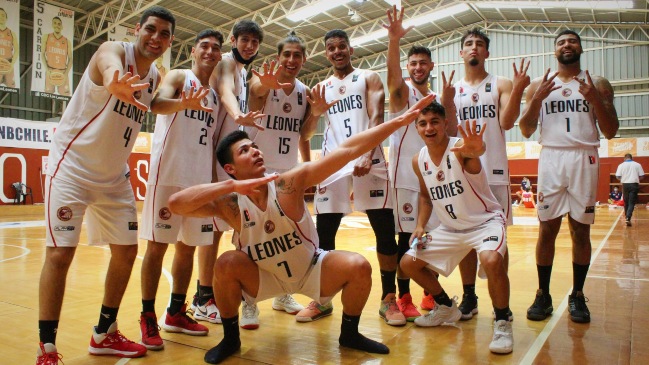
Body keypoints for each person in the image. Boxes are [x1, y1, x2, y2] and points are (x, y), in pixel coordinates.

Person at [168, 91, 437, 364]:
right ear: (231, 167)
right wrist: (230, 185)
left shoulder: (288, 183)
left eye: (254, 146)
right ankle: (230, 338)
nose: (256, 151)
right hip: (264, 277)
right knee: (226, 262)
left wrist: (398, 121)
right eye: (245, 150)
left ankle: (349, 334)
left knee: (358, 266)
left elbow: (348, 150)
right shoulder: (229, 203)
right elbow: (176, 204)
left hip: (310, 269)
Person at [36, 6, 175, 364]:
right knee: (60, 253)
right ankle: (47, 349)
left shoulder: (155, 75)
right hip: (72, 168)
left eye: (164, 34)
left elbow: (154, 101)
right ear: (136, 29)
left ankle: (104, 333)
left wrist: (180, 104)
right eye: (151, 30)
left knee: (127, 252)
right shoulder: (112, 51)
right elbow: (110, 68)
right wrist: (115, 81)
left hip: (114, 177)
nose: (156, 38)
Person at [302, 28, 403, 326]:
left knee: (384, 230)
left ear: (351, 49)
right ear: (326, 53)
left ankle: (389, 299)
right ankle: (322, 299)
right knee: (326, 234)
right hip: (333, 162)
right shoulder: (320, 87)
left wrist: (367, 152)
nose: (337, 52)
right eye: (331, 48)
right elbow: (306, 133)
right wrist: (315, 113)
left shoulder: (368, 77)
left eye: (341, 46)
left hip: (368, 159)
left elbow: (376, 116)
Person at [519, 29, 619, 323]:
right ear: (554, 51)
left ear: (580, 48)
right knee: (546, 229)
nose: (567, 45)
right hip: (551, 156)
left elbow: (611, 130)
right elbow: (525, 129)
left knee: (580, 230)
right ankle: (543, 294)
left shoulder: (597, 83)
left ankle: (577, 295)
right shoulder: (539, 85)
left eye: (572, 41)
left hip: (583, 155)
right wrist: (536, 99)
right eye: (561, 42)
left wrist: (595, 100)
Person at [401, 103, 513, 354]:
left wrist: (476, 149)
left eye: (434, 121)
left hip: (485, 223)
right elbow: (425, 196)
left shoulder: (460, 149)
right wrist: (419, 225)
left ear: (445, 124)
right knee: (408, 263)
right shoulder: (418, 160)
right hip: (450, 229)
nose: (429, 127)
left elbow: (475, 153)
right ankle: (444, 306)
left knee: (491, 259)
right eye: (423, 123)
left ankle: (503, 320)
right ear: (417, 128)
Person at [138, 29, 224, 351]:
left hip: (198, 180)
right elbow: (155, 104)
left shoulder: (214, 96)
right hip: (169, 174)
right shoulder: (179, 75)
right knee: (158, 246)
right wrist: (181, 103)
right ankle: (148, 316)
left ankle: (176, 311)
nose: (210, 52)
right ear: (193, 50)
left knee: (187, 247)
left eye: (216, 48)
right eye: (205, 46)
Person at [245, 31, 329, 316]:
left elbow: (304, 134)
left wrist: (315, 113)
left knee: (289, 238)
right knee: (251, 237)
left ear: (303, 60)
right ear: (278, 57)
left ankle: (283, 294)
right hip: (257, 172)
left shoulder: (305, 92)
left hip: (286, 172)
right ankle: (248, 302)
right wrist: (263, 85)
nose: (291, 60)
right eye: (286, 54)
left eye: (297, 55)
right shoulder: (265, 83)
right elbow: (256, 90)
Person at [449, 28, 529, 321]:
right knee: (465, 237)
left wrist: (519, 89)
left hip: (494, 172)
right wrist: (446, 101)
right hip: (462, 175)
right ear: (461, 53)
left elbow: (507, 122)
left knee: (499, 241)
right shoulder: (453, 89)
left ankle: (500, 303)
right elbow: (447, 132)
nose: (473, 48)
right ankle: (469, 296)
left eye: (479, 44)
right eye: (468, 43)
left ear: (486, 53)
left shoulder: (501, 84)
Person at [383, 5, 453, 321]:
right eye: (413, 63)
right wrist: (394, 41)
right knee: (405, 238)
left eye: (423, 63)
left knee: (430, 237)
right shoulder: (402, 93)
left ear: (431, 66)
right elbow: (393, 76)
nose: (417, 67)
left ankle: (429, 293)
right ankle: (403, 297)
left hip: (434, 180)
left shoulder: (436, 97)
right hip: (405, 179)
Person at [199, 19, 268, 330]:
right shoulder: (227, 63)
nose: (249, 46)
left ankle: (222, 292)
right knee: (212, 230)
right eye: (245, 40)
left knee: (235, 227)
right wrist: (238, 115)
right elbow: (225, 91)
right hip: (218, 161)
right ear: (233, 40)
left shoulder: (243, 71)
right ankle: (203, 297)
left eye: (255, 42)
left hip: (229, 161)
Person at [41, 16, 72, 95]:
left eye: (59, 24)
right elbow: (42, 54)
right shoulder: (46, 37)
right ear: (52, 25)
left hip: (62, 71)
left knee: (65, 95)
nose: (57, 25)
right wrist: (47, 70)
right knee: (48, 93)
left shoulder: (67, 41)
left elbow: (71, 58)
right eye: (55, 23)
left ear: (62, 26)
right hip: (50, 70)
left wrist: (66, 73)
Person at [616, 153, 645, 225]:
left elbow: (618, 176)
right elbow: (642, 176)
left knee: (626, 202)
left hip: (625, 184)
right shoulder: (637, 165)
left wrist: (623, 179)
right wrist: (636, 178)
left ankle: (627, 217)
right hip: (634, 184)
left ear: (624, 158)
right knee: (632, 202)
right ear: (632, 158)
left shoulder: (621, 165)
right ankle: (628, 218)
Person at [0, 8, 18, 88]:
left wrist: (12, 64)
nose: (1, 17)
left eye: (3, 15)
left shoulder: (11, 33)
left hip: (8, 64)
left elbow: (16, 50)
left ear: (6, 18)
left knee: (11, 87)